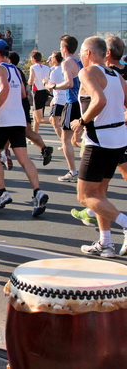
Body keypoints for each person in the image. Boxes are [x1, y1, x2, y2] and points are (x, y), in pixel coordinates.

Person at [66, 37, 127, 258]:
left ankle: (125, 223)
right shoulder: (117, 75)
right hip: (117, 139)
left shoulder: (88, 71)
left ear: (89, 53)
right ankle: (105, 242)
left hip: (99, 140)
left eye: (82, 53)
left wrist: (81, 122)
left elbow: (99, 100)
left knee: (84, 197)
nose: (81, 57)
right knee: (100, 194)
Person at [0, 40, 49, 216]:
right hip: (18, 119)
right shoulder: (14, 69)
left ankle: (2, 192)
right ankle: (38, 191)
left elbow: (4, 88)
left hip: (2, 120)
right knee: (24, 158)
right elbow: (22, 93)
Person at [48, 35, 83, 182]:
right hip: (83, 102)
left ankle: (73, 172)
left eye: (61, 47)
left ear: (65, 49)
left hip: (72, 102)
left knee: (66, 139)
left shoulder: (67, 62)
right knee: (79, 138)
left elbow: (69, 83)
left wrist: (54, 86)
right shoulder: (80, 61)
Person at [28, 51, 51, 133]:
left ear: (33, 59)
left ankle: (58, 122)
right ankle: (34, 134)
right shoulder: (47, 67)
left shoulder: (33, 67)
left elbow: (31, 81)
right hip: (45, 91)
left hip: (37, 92)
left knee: (39, 118)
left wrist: (29, 82)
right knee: (36, 117)